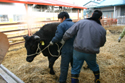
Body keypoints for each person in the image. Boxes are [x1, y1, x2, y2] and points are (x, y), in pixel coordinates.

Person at [62, 10, 106, 83]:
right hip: (91, 52)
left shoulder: (81, 22)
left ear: (92, 14)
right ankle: (97, 79)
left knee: (75, 69)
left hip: (78, 51)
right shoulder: (102, 29)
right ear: (100, 17)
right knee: (94, 66)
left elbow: (69, 33)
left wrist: (63, 39)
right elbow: (102, 43)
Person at [49, 12, 74, 83]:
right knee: (74, 66)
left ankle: (62, 81)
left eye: (60, 19)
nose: (60, 21)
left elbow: (58, 36)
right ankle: (74, 80)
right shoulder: (74, 24)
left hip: (66, 49)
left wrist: (52, 41)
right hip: (76, 48)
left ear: (64, 18)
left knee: (64, 67)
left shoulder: (62, 25)